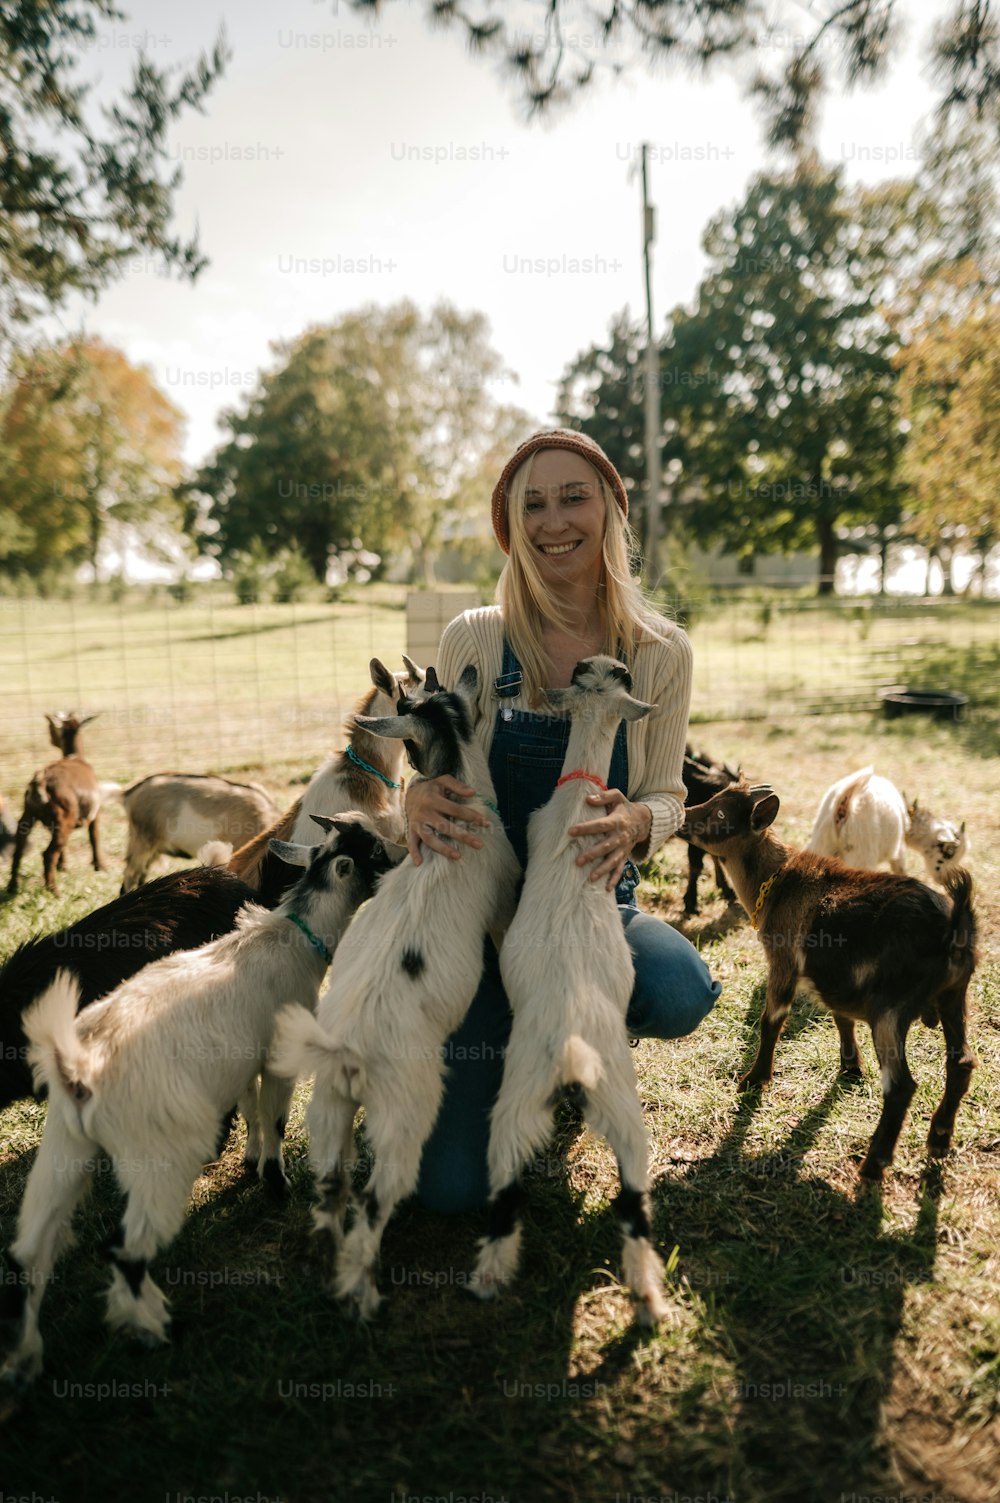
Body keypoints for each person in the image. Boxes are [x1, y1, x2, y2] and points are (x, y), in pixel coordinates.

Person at [404, 428, 721, 1213]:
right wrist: (413, 795)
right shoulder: (474, 635)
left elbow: (667, 793)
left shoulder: (659, 652)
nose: (554, 521)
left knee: (680, 986)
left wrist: (637, 825)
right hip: (480, 926)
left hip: (587, 918)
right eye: (533, 504)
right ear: (512, 526)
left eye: (573, 497)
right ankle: (511, 1033)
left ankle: (579, 1039)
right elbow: (435, 757)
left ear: (612, 510)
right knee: (447, 1192)